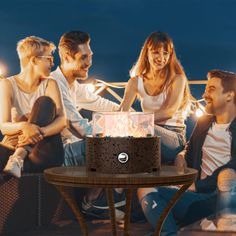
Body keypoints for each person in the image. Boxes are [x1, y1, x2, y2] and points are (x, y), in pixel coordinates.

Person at [138, 69, 236, 235]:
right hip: (198, 200)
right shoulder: (204, 122)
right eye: (205, 89)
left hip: (225, 200)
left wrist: (197, 185)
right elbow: (190, 148)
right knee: (145, 187)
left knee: (228, 175)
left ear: (229, 95)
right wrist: (181, 155)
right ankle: (168, 233)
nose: (204, 95)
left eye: (211, 89)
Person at [51, 31, 124, 219]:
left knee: (116, 135)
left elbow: (102, 104)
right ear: (67, 57)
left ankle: (112, 195)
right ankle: (93, 201)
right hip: (60, 152)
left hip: (74, 147)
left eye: (90, 57)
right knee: (112, 143)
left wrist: (132, 115)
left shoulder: (73, 85)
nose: (89, 62)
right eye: (83, 57)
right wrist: (117, 133)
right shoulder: (55, 84)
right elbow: (80, 128)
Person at [119, 31, 191, 164]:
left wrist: (138, 120)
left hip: (173, 137)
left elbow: (168, 112)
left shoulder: (177, 79)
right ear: (147, 53)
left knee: (138, 130)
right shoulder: (135, 82)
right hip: (146, 133)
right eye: (156, 52)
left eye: (166, 53)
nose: (161, 57)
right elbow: (122, 111)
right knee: (118, 137)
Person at [0, 36, 66, 178]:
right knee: (26, 119)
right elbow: (3, 126)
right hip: (12, 152)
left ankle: (19, 156)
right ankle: (17, 161)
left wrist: (37, 132)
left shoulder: (50, 84)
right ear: (34, 60)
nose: (53, 63)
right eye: (49, 58)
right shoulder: (7, 84)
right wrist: (24, 126)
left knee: (44, 103)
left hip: (43, 154)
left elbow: (62, 121)